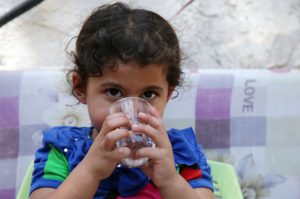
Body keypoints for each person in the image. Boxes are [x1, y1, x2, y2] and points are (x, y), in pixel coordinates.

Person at [29, 2, 214, 199]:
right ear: (81, 88)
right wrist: (89, 171)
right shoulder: (63, 148)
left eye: (149, 94)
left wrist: (170, 180)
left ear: (167, 94)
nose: (130, 112)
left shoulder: (180, 151)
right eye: (114, 92)